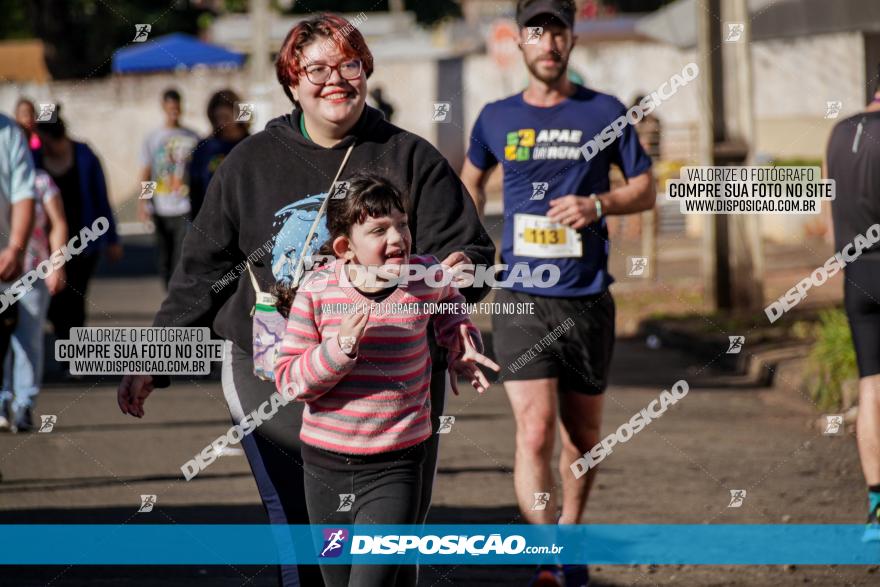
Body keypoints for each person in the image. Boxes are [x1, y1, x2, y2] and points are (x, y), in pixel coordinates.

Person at [117, 13, 494, 587]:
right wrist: (153, 360)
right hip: (277, 374)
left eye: (348, 65)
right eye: (315, 68)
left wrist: (448, 292)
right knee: (306, 536)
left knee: (389, 546)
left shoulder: (409, 158)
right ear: (291, 82)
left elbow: (469, 254)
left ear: (365, 71)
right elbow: (202, 271)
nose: (334, 80)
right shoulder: (249, 164)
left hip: (393, 385)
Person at [460, 1, 655, 585]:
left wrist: (598, 205)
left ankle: (570, 536)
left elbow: (644, 186)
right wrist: (471, 243)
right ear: (520, 43)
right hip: (520, 295)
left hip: (588, 295)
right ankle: (546, 557)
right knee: (535, 430)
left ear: (571, 40)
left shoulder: (604, 111)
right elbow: (471, 178)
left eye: (558, 32)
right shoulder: (495, 118)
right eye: (536, 33)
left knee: (583, 437)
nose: (548, 43)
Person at [275, 173, 498, 587]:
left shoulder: (424, 275)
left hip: (397, 464)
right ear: (346, 247)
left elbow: (450, 307)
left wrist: (460, 342)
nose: (398, 237)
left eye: (402, 224)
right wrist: (338, 350)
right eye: (379, 229)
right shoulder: (318, 291)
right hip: (325, 467)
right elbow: (289, 381)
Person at [826, 78, 880, 542]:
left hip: (857, 273)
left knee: (871, 388)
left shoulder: (840, 133)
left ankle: (876, 509)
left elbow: (835, 208)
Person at [33, 110, 122, 343]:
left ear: (50, 136)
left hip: (83, 240)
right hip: (49, 242)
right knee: (55, 299)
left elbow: (102, 199)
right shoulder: (35, 159)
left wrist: (112, 239)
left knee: (75, 296)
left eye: (41, 138)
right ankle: (64, 339)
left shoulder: (84, 155)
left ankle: (73, 354)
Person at [0, 168, 67, 432]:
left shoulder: (40, 181)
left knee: (28, 341)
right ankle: (2, 401)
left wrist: (57, 265)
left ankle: (24, 404)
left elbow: (58, 222)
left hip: (32, 271)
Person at [139, 88, 199, 286]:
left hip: (184, 206)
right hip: (161, 206)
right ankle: (168, 285)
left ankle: (176, 291)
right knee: (164, 254)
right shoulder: (153, 138)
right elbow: (146, 171)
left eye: (177, 107)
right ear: (164, 107)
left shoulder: (193, 137)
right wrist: (144, 203)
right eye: (170, 107)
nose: (174, 111)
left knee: (181, 254)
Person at [0, 114, 36, 431]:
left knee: (25, 338)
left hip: (4, 269)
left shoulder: (8, 134)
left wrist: (15, 248)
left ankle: (21, 400)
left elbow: (24, 194)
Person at [189, 89, 250, 220]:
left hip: (246, 217)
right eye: (218, 118)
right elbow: (195, 186)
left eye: (226, 118)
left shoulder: (253, 146)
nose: (222, 124)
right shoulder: (204, 148)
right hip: (214, 218)